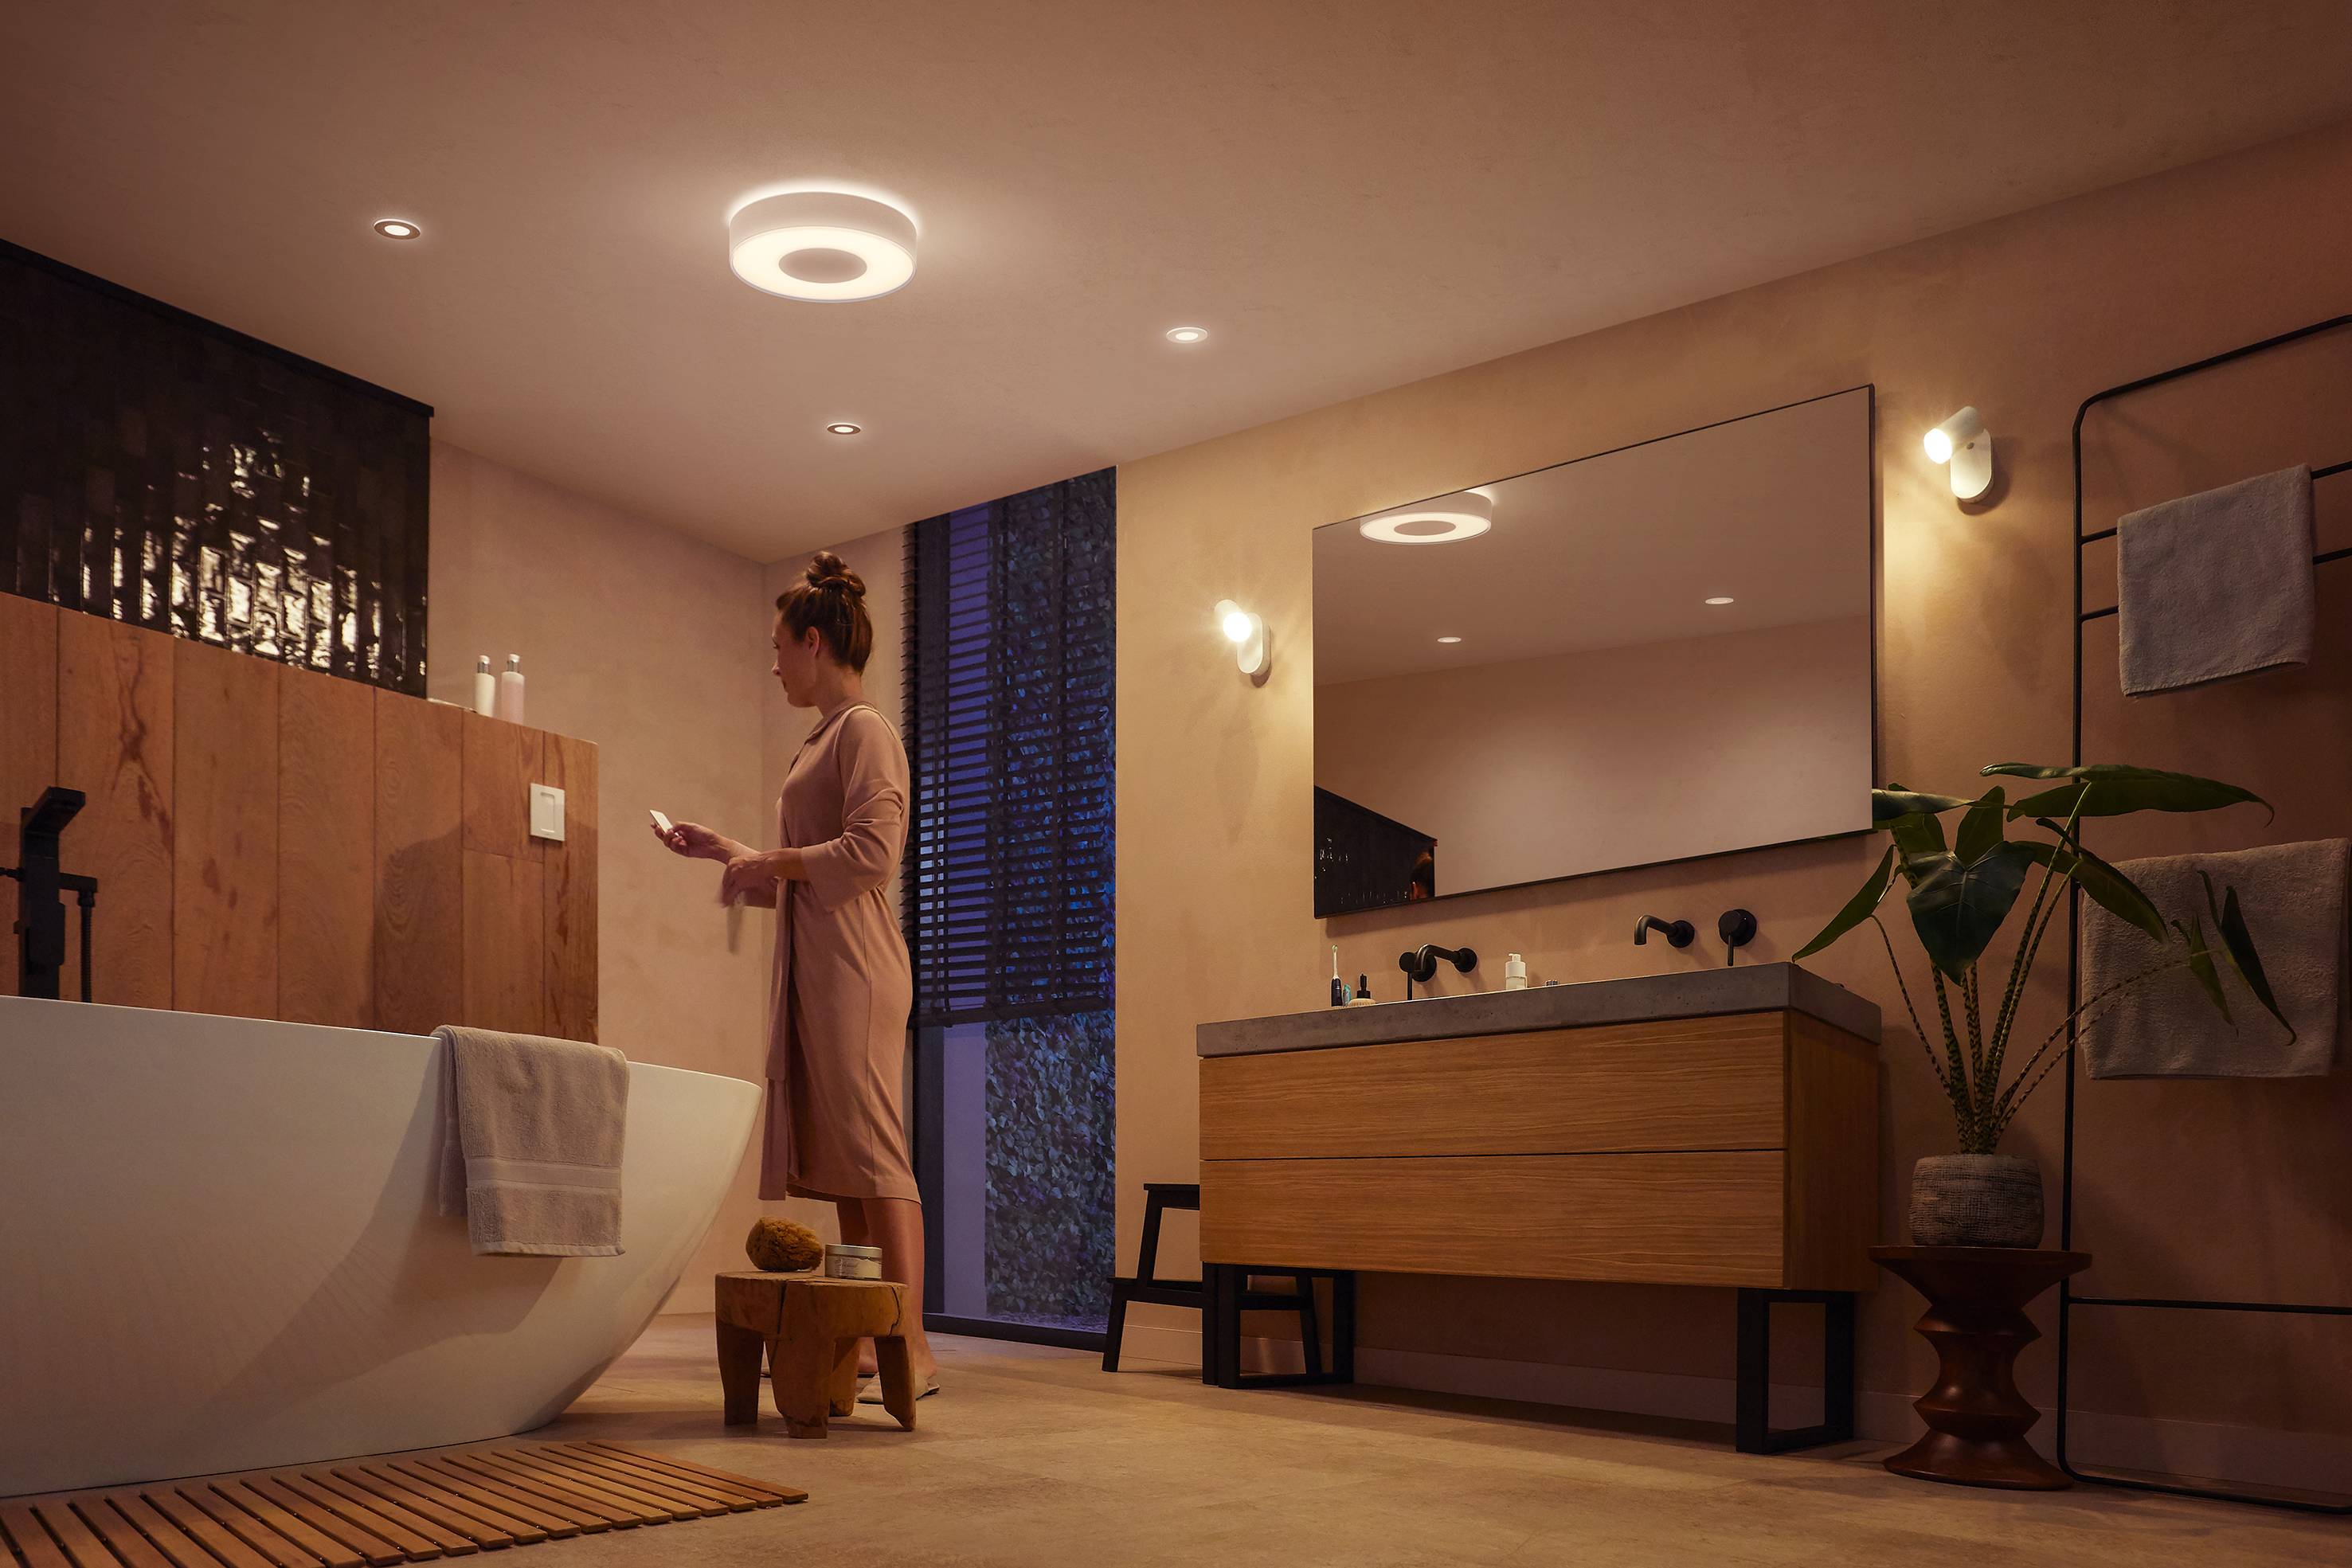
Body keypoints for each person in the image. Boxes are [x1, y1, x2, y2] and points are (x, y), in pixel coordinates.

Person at [654, 551, 937, 1394]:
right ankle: (864, 1332)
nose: (774, 663)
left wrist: (770, 858)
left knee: (875, 1156)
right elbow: (815, 880)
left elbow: (870, 855)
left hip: (857, 969)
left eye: (779, 646)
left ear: (815, 642)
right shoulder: (824, 738)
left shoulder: (866, 731)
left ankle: (909, 1346)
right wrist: (738, 858)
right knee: (850, 1162)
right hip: (828, 962)